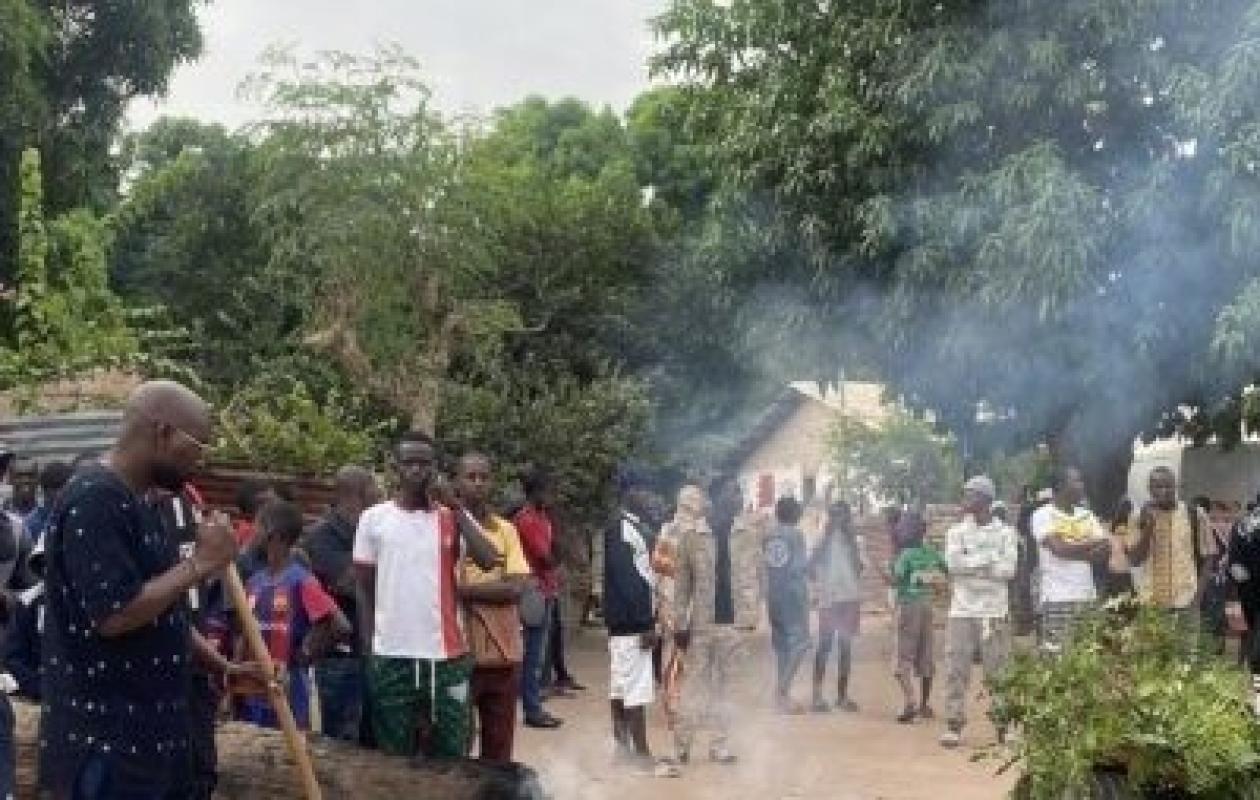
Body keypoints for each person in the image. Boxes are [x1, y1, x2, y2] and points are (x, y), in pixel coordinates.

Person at [38, 380, 239, 799]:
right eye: (196, 446)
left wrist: (220, 665)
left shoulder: (142, 503)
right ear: (163, 432)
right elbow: (115, 614)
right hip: (107, 752)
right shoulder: (96, 499)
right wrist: (200, 563)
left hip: (149, 747)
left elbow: (162, 610)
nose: (198, 462)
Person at [353, 431, 498, 760]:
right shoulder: (374, 520)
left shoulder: (452, 518)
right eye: (409, 463)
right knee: (394, 754)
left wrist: (457, 506)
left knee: (453, 752)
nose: (416, 471)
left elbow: (489, 560)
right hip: (391, 656)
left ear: (435, 468)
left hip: (447, 657)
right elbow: (364, 588)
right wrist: (369, 650)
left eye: (424, 464)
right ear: (395, 468)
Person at [670, 479, 762, 765]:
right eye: (733, 491)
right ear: (716, 496)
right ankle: (681, 747)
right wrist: (680, 623)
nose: (738, 497)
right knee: (693, 687)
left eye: (739, 492)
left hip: (735, 626)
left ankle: (719, 746)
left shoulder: (748, 533)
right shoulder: (691, 536)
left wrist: (751, 615)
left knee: (727, 689)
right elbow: (682, 584)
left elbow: (755, 575)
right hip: (701, 625)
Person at [236, 500, 349, 731]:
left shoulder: (300, 580)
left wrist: (303, 655)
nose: (252, 530)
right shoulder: (253, 583)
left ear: (273, 535)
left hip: (289, 690)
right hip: (252, 691)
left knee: (289, 753)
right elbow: (244, 633)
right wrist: (235, 675)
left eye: (257, 525)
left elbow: (340, 625)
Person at [453, 453, 531, 763]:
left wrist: (461, 592)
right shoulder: (446, 527)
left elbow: (515, 588)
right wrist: (492, 590)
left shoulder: (505, 530)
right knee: (454, 742)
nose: (478, 483)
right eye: (470, 477)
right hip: (455, 654)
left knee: (498, 748)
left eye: (483, 477)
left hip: (501, 652)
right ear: (457, 481)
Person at [296, 465, 380, 743]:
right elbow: (349, 585)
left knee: (374, 739)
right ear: (358, 493)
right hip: (340, 658)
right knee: (343, 740)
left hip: (374, 652)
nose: (381, 494)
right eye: (375, 487)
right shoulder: (321, 537)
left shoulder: (373, 532)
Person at [604, 470, 675, 777]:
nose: (650, 498)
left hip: (624, 624)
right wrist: (646, 622)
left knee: (620, 688)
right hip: (631, 624)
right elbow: (629, 581)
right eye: (644, 491)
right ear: (629, 492)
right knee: (634, 689)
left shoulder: (630, 527)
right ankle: (642, 755)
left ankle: (622, 751)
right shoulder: (622, 529)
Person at [940, 476, 1018, 748]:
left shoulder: (1006, 533)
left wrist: (970, 564)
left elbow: (1009, 571)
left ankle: (1004, 726)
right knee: (955, 669)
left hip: (994, 611)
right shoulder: (956, 532)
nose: (965, 500)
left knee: (999, 671)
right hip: (961, 611)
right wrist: (987, 561)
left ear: (986, 499)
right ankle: (953, 725)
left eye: (970, 495)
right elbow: (952, 565)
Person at [1125, 468, 1217, 634]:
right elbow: (1134, 560)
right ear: (1150, 489)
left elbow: (1209, 555)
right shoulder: (1137, 517)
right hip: (1151, 604)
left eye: (1168, 486)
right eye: (1158, 487)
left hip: (1186, 602)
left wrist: (1198, 598)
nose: (1164, 491)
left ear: (1176, 486)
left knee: (1186, 657)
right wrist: (1147, 529)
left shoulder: (1195, 514)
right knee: (1154, 656)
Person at [1031, 467, 1110, 651]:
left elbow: (1105, 550)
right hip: (1057, 597)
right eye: (1077, 481)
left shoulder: (1087, 515)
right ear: (1060, 486)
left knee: (1088, 657)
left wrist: (1072, 550)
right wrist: (1091, 546)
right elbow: (1059, 549)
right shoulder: (1042, 514)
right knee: (1058, 659)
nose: (1082, 486)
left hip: (1087, 597)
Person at [512, 469, 564, 729]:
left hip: (545, 588)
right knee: (532, 653)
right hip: (534, 589)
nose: (552, 496)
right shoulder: (527, 519)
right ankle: (532, 709)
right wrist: (558, 561)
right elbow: (544, 557)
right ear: (536, 492)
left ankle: (534, 704)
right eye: (548, 491)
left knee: (538, 653)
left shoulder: (542, 517)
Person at [809, 497, 866, 713]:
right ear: (829, 517)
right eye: (834, 514)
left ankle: (842, 697)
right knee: (824, 646)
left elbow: (859, 569)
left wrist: (852, 545)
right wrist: (825, 539)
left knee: (845, 648)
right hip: (829, 600)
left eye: (842, 515)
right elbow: (811, 565)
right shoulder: (820, 538)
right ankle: (817, 696)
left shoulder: (856, 541)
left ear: (848, 517)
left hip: (850, 598)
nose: (838, 519)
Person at [891, 512, 947, 723]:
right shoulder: (931, 553)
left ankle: (910, 701)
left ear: (909, 532)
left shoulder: (905, 555)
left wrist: (886, 576)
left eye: (903, 527)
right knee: (926, 656)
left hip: (908, 606)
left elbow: (897, 579)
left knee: (902, 657)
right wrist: (931, 579)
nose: (899, 530)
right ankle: (925, 705)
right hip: (927, 606)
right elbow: (945, 569)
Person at [764, 496, 811, 714]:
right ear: (795, 514)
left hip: (773, 593)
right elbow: (798, 568)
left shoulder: (768, 534)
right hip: (792, 593)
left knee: (782, 646)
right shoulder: (796, 535)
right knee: (801, 643)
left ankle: (782, 696)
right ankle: (781, 691)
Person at [23, 461, 72, 545]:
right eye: (55, 488)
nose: (59, 494)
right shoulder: (31, 524)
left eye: (63, 488)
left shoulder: (77, 517)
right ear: (44, 490)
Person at [1102, 498, 1136, 599]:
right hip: (1122, 568)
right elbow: (1129, 547)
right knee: (1126, 601)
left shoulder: (1109, 524)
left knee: (1114, 599)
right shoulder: (1128, 526)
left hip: (1113, 568)